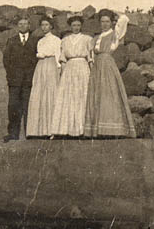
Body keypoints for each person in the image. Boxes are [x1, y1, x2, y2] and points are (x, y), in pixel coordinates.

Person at [84, 9, 137, 137]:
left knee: (109, 94)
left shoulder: (115, 34)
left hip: (108, 65)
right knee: (97, 95)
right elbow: (90, 54)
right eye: (102, 22)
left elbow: (124, 19)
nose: (105, 24)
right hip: (97, 67)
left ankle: (111, 129)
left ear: (111, 23)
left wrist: (114, 13)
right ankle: (98, 130)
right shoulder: (96, 38)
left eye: (107, 21)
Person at [50, 15, 93, 137]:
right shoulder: (65, 40)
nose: (76, 27)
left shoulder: (87, 39)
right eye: (74, 25)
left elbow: (90, 58)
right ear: (70, 26)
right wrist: (63, 74)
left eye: (78, 25)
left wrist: (91, 71)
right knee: (68, 97)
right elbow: (63, 59)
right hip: (69, 69)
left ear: (81, 26)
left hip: (83, 68)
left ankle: (83, 130)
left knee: (82, 96)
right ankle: (67, 129)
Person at [1, 16, 38, 142]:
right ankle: (13, 133)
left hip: (29, 81)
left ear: (29, 25)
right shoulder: (11, 40)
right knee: (13, 107)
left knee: (29, 107)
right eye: (20, 24)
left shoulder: (35, 41)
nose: (23, 26)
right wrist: (11, 76)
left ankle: (30, 133)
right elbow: (6, 60)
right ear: (17, 26)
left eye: (25, 24)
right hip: (15, 81)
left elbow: (37, 60)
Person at [26, 17, 61, 137]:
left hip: (51, 66)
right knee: (39, 95)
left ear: (51, 26)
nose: (44, 27)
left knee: (50, 94)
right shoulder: (40, 41)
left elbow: (57, 55)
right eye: (42, 25)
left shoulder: (56, 40)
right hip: (40, 67)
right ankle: (38, 130)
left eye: (47, 25)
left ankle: (52, 130)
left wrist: (58, 68)